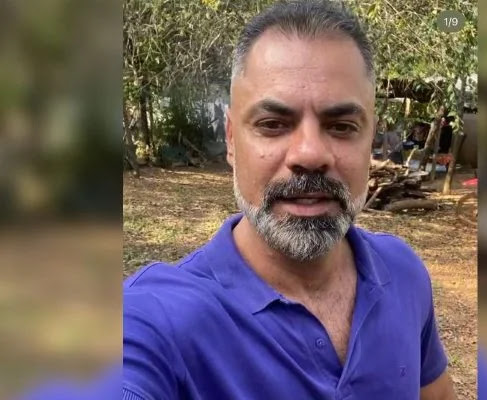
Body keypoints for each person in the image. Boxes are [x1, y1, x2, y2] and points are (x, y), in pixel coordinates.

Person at [123, 1, 456, 399]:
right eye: (273, 124)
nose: (310, 154)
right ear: (231, 139)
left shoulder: (403, 274)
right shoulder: (155, 319)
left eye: (341, 126)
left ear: (371, 138)